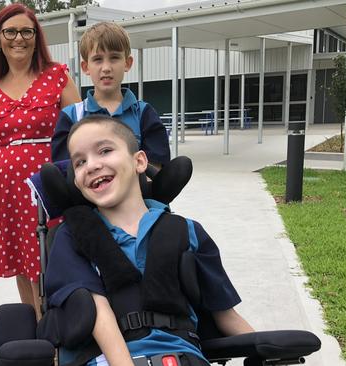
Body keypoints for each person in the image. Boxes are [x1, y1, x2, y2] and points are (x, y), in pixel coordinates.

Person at [45, 115, 253, 366]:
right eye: (79, 162)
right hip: (107, 359)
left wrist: (265, 347)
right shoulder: (71, 237)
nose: (91, 165)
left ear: (139, 161)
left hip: (184, 355)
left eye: (105, 150)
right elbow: (96, 312)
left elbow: (225, 315)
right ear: (76, 181)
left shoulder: (187, 231)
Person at [0, 3, 81, 315]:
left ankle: (64, 329)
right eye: (10, 31)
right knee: (23, 263)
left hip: (52, 185)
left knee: (57, 255)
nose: (18, 38)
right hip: (9, 193)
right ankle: (39, 333)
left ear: (36, 37)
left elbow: (78, 130)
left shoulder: (57, 76)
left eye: (26, 31)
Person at [51, 22, 169, 168]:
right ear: (85, 67)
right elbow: (64, 172)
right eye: (98, 59)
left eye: (114, 58)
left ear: (127, 63)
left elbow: (155, 169)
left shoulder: (144, 114)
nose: (106, 68)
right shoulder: (71, 117)